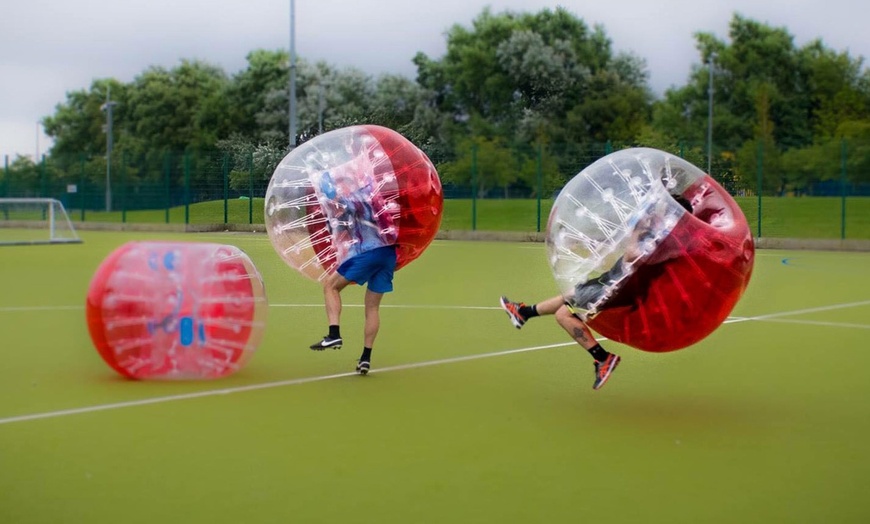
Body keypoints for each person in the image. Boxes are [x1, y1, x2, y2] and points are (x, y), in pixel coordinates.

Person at [500, 194, 693, 390]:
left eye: (662, 209)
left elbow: (632, 255)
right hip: (616, 280)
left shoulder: (666, 238)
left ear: (672, 213)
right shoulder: (667, 235)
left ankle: (603, 358)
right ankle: (523, 313)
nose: (656, 211)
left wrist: (637, 231)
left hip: (619, 287)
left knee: (563, 315)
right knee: (571, 294)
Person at [309, 169, 399, 375]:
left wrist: (324, 179)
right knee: (372, 308)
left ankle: (334, 333)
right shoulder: (379, 198)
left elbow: (335, 200)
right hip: (388, 254)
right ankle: (366, 358)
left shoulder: (357, 199)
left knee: (330, 286)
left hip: (368, 252)